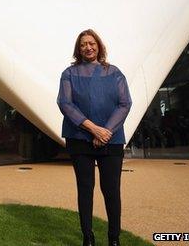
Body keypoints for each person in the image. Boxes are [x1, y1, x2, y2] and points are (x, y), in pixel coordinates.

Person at [57, 29, 132, 246]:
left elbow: (125, 103)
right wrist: (93, 129)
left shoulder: (114, 72)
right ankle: (88, 237)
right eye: (83, 45)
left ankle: (114, 239)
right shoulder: (69, 74)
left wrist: (105, 131)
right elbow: (65, 103)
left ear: (98, 46)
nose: (88, 47)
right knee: (85, 189)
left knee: (111, 190)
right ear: (78, 49)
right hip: (79, 139)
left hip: (112, 139)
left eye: (91, 43)